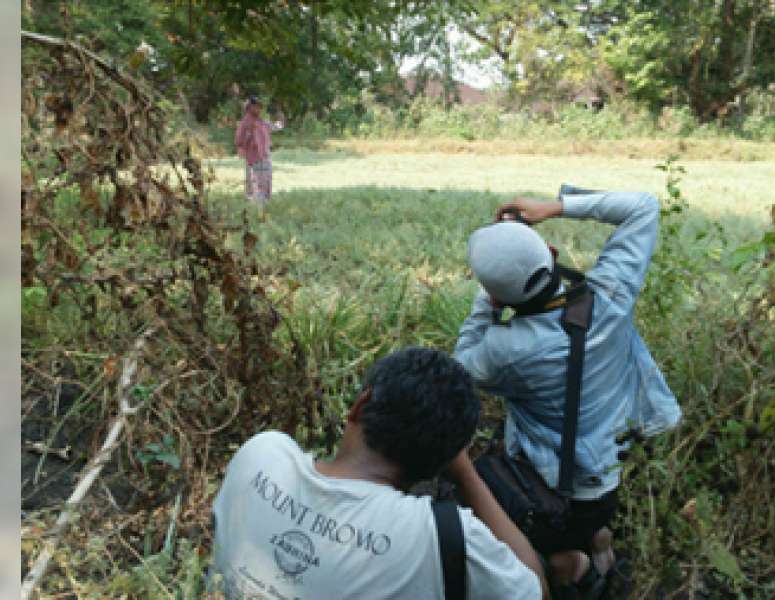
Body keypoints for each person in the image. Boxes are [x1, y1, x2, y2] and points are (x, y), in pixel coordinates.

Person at [454, 186, 682, 596]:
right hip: (605, 477)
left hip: (544, 488)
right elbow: (643, 206)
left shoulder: (504, 350)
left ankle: (569, 566)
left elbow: (460, 365)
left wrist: (487, 300)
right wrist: (555, 207)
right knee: (591, 519)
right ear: (553, 254)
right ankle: (599, 546)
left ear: (500, 296)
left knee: (514, 535)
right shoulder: (611, 294)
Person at [210, 347, 550, 600]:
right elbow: (535, 591)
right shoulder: (443, 535)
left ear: (360, 405)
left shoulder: (262, 455)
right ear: (442, 460)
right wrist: (468, 476)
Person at [234, 96, 284, 203]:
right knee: (254, 184)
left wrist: (280, 121)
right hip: (253, 158)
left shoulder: (262, 122)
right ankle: (255, 205)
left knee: (266, 181)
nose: (259, 109)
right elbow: (239, 141)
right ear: (249, 107)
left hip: (265, 156)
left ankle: (264, 203)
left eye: (260, 107)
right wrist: (244, 144)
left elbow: (276, 126)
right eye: (256, 106)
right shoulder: (245, 123)